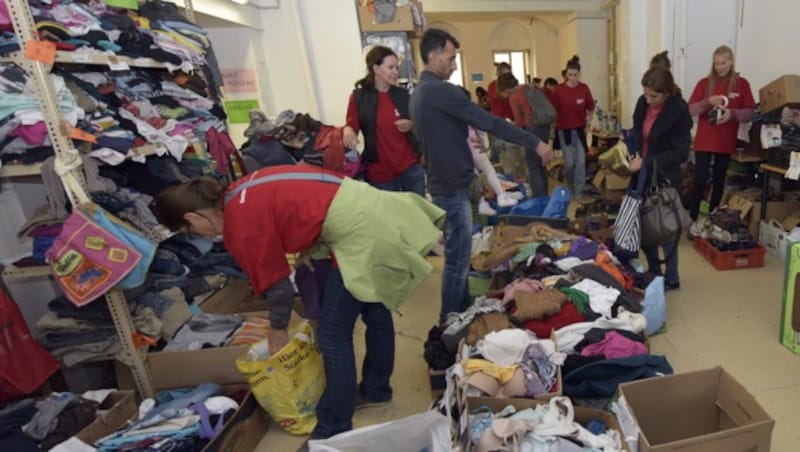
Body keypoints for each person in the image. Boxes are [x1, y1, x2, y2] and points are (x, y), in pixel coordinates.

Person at [154, 164, 445, 442]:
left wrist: (278, 329)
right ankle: (376, 390)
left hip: (361, 233)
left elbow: (279, 286)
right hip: (373, 211)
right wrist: (309, 243)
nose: (197, 237)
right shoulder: (241, 188)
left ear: (193, 218)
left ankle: (334, 425)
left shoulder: (240, 224)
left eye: (188, 233)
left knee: (332, 337)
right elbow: (304, 198)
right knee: (375, 310)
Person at [410, 28, 554, 323]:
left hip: (443, 182)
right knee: (457, 261)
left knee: (457, 256)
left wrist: (463, 137)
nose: (453, 65)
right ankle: (449, 321)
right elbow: (491, 122)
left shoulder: (420, 93)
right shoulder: (440, 91)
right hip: (451, 187)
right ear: (434, 55)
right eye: (450, 59)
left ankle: (462, 313)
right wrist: (535, 142)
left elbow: (437, 135)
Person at [629, 66, 692, 290]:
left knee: (665, 227)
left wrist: (645, 162)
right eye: (645, 94)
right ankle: (655, 271)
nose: (648, 99)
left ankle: (672, 277)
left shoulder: (679, 112)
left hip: (665, 177)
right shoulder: (642, 102)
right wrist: (630, 146)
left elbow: (680, 153)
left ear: (666, 93)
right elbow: (637, 131)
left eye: (653, 96)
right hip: (642, 173)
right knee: (645, 225)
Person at [686, 45, 755, 239]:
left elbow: (750, 112)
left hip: (725, 142)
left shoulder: (741, 84)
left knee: (719, 181)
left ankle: (712, 221)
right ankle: (692, 219)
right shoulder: (704, 83)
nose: (719, 67)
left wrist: (731, 114)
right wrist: (709, 101)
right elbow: (690, 110)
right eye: (716, 63)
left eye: (723, 63)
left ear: (731, 62)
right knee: (699, 181)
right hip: (704, 141)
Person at [343, 46, 424, 195]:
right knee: (390, 217)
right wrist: (347, 129)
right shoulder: (359, 98)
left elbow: (420, 124)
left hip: (410, 167)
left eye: (397, 68)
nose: (395, 72)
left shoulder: (404, 95)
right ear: (376, 68)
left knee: (419, 214)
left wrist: (411, 125)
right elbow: (351, 127)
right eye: (390, 67)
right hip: (380, 174)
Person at [459, 87, 519, 215]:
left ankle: (482, 203)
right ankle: (501, 196)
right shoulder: (470, 111)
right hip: (474, 147)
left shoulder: (451, 112)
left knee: (474, 177)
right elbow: (481, 127)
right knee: (489, 170)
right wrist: (485, 144)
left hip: (463, 151)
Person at [498, 72, 554, 198]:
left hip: (532, 130)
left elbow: (519, 121)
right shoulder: (528, 87)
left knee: (533, 167)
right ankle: (545, 195)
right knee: (542, 164)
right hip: (544, 127)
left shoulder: (513, 96)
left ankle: (540, 199)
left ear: (505, 88)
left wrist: (511, 125)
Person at [552, 55, 595, 199]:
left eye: (575, 75)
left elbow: (590, 107)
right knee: (570, 163)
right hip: (564, 131)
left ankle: (579, 190)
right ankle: (569, 186)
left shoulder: (584, 89)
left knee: (581, 161)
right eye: (569, 75)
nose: (572, 78)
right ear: (566, 74)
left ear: (579, 74)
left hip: (580, 130)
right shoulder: (559, 90)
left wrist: (589, 115)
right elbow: (553, 111)